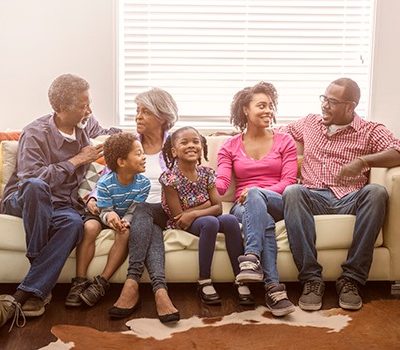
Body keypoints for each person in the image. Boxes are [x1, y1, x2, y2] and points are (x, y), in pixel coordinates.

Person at [0, 73, 121, 331]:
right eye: (83, 105)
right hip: (24, 201)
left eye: (90, 103)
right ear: (61, 108)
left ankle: (24, 296)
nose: (89, 110)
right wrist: (77, 160)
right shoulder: (35, 133)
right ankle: (38, 268)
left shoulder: (86, 125)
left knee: (73, 223)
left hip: (61, 206)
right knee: (36, 186)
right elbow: (31, 179)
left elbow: (106, 134)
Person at [281, 77, 400, 311]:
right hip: (313, 195)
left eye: (332, 101)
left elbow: (397, 150)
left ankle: (351, 279)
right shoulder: (309, 123)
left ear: (350, 106)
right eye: (324, 98)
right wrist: (235, 134)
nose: (324, 105)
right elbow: (274, 134)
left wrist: (363, 161)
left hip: (350, 198)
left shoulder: (369, 130)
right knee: (293, 191)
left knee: (376, 192)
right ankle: (311, 279)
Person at [216, 81, 297, 317]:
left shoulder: (284, 141)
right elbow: (220, 185)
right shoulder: (229, 146)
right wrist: (195, 174)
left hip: (277, 201)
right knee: (265, 223)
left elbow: (289, 182)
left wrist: (257, 191)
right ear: (245, 110)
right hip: (245, 208)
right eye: (261, 105)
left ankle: (250, 257)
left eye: (270, 106)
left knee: (254, 194)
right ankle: (274, 289)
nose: (268, 110)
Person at [104, 88, 180, 322]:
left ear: (163, 117)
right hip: (135, 213)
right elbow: (109, 178)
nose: (138, 116)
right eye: (137, 111)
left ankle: (131, 283)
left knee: (144, 210)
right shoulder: (126, 145)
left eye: (145, 111)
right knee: (145, 218)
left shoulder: (178, 144)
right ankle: (160, 291)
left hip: (169, 211)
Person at [160, 126, 252, 305]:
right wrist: (205, 206)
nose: (191, 145)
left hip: (198, 217)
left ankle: (240, 278)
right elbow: (179, 216)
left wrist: (194, 211)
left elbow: (218, 207)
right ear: (174, 151)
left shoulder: (207, 173)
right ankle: (204, 280)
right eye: (184, 142)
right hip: (184, 223)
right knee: (210, 222)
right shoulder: (169, 179)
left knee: (231, 220)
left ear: (202, 146)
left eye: (196, 141)